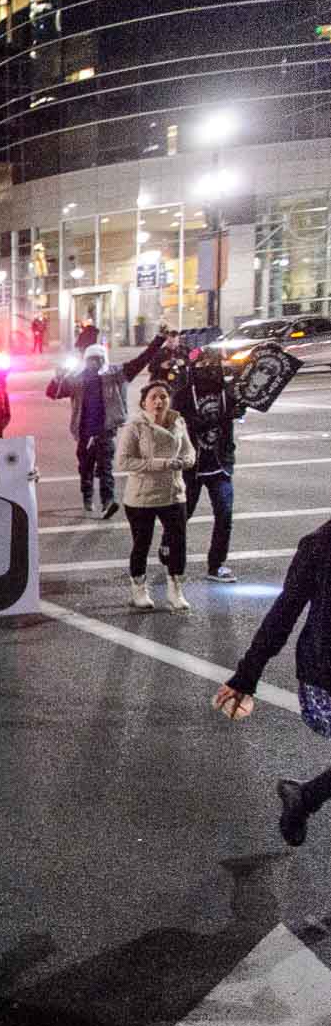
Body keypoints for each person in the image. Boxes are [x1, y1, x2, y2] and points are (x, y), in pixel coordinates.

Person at [214, 521, 331, 846]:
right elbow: (284, 613)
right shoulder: (321, 544)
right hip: (324, 678)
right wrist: (247, 674)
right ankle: (304, 798)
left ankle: (304, 797)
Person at [47, 336, 161, 518]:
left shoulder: (115, 374)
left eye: (98, 359)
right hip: (83, 433)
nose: (94, 363)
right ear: (86, 361)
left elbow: (142, 360)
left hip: (105, 432)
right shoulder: (76, 379)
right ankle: (87, 495)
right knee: (85, 467)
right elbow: (53, 393)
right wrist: (57, 378)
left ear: (103, 360)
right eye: (91, 360)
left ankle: (108, 501)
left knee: (105, 467)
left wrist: (159, 340)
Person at [114, 380, 197, 612]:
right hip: (142, 497)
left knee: (177, 543)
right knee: (142, 543)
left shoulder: (178, 422)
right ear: (144, 403)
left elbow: (188, 449)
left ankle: (175, 588)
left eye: (163, 397)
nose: (159, 401)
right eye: (153, 397)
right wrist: (161, 463)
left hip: (174, 493)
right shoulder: (136, 426)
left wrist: (188, 460)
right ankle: (139, 588)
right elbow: (123, 461)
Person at [178, 356, 247, 583]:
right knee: (182, 514)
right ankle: (171, 550)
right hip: (192, 466)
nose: (209, 373)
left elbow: (238, 409)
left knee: (224, 513)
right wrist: (221, 418)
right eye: (203, 369)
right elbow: (185, 424)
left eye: (212, 369)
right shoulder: (184, 395)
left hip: (220, 463)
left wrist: (239, 410)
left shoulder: (227, 393)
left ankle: (216, 564)